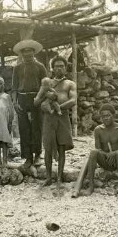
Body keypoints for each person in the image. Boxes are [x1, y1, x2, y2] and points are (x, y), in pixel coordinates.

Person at [34, 56, 77, 187]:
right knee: (48, 147)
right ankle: (48, 177)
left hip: (62, 117)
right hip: (48, 118)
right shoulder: (47, 83)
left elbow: (73, 100)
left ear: (66, 68)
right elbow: (37, 101)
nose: (59, 68)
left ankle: (59, 177)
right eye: (56, 66)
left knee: (62, 147)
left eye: (62, 66)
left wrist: (58, 107)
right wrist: (45, 98)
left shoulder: (70, 84)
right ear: (52, 68)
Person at [84, 104, 118, 196]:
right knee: (93, 152)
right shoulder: (98, 130)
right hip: (106, 161)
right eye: (103, 116)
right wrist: (107, 155)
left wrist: (114, 153)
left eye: (108, 115)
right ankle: (91, 186)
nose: (106, 118)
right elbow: (98, 149)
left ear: (113, 116)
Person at [12, 39, 47, 170]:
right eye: (24, 52)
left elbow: (45, 85)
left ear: (34, 52)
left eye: (30, 52)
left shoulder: (40, 67)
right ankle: (28, 157)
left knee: (37, 127)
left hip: (37, 98)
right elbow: (14, 87)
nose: (27, 54)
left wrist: (40, 99)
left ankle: (38, 154)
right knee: (24, 128)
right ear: (21, 54)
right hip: (22, 99)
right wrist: (14, 102)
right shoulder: (17, 68)